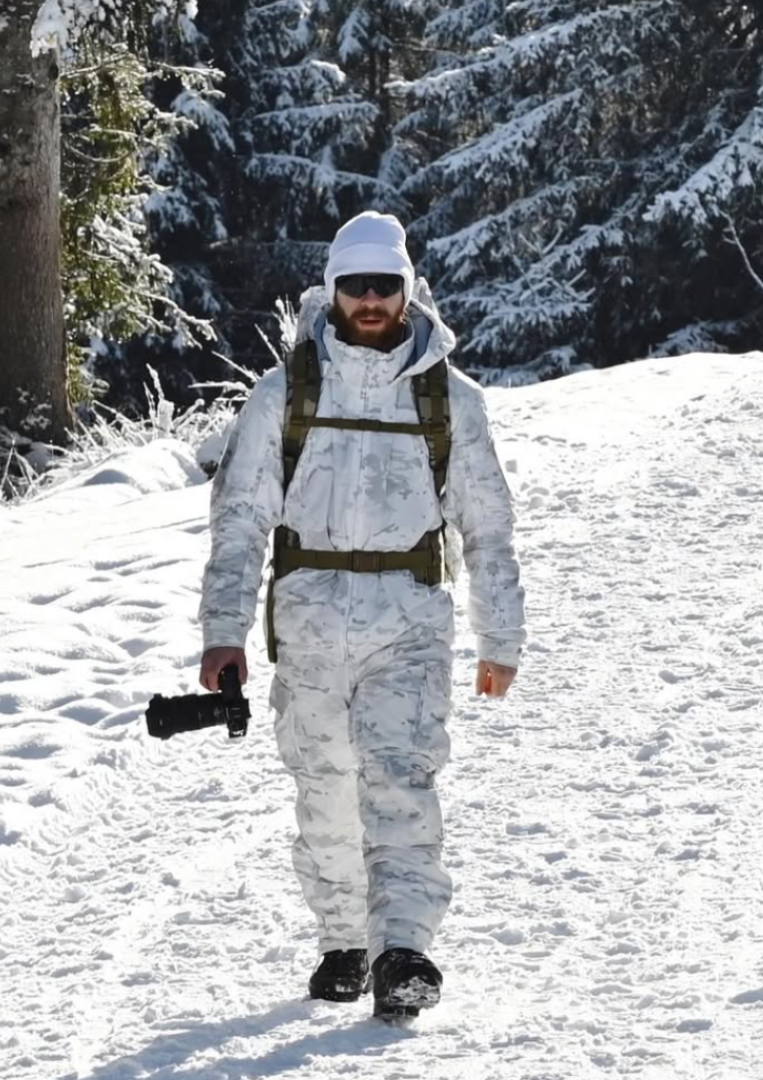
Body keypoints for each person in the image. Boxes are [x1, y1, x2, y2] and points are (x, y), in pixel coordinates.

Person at [198, 211, 526, 1019]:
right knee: (325, 788)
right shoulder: (285, 394)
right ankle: (345, 940)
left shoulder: (452, 399)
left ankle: (404, 948)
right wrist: (222, 633)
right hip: (307, 623)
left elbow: (486, 524)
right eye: (357, 285)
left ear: (408, 290)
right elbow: (240, 519)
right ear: (334, 290)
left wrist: (501, 636)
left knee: (400, 782)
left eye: (386, 285)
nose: (372, 299)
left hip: (409, 622)